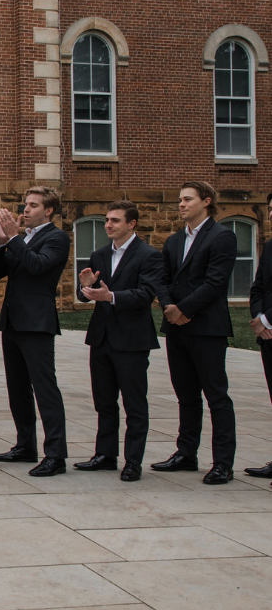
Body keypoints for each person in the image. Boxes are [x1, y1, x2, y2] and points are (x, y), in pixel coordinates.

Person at [152, 181, 237, 485]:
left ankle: (223, 463)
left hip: (207, 329)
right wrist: (169, 306)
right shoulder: (174, 241)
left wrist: (183, 309)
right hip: (176, 327)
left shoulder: (223, 237)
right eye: (180, 200)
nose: (182, 204)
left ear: (207, 201)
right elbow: (161, 277)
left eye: (188, 199)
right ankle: (186, 453)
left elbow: (215, 283)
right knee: (186, 395)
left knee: (216, 396)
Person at [76, 201, 164, 482]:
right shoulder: (99, 254)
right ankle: (105, 454)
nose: (109, 225)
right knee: (104, 401)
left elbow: (145, 295)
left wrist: (111, 296)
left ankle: (133, 461)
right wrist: (85, 288)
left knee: (134, 403)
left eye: (115, 220)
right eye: (107, 220)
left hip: (132, 340)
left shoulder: (148, 255)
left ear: (132, 223)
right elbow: (88, 295)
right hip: (101, 337)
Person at [0, 186, 71, 477]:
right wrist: (1, 243)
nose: (25, 210)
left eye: (32, 206)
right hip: (12, 321)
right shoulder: (21, 239)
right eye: (25, 205)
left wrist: (14, 238)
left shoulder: (57, 238)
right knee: (17, 389)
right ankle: (25, 445)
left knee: (45, 389)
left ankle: (56, 455)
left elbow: (37, 267)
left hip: (37, 323)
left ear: (48, 210)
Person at [246, 192, 272, 479]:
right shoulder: (270, 246)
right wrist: (258, 319)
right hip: (267, 337)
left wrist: (267, 318)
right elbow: (258, 288)